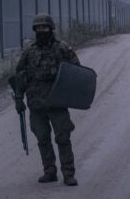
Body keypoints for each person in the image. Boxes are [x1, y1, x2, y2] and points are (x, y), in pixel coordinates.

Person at [14, 13, 80, 186]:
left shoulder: (62, 48)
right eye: (38, 28)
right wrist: (18, 98)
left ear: (51, 28)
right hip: (36, 103)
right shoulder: (29, 51)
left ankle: (68, 173)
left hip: (57, 102)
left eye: (44, 27)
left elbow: (76, 71)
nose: (41, 30)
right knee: (42, 138)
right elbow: (20, 76)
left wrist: (69, 92)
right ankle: (49, 171)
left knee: (63, 138)